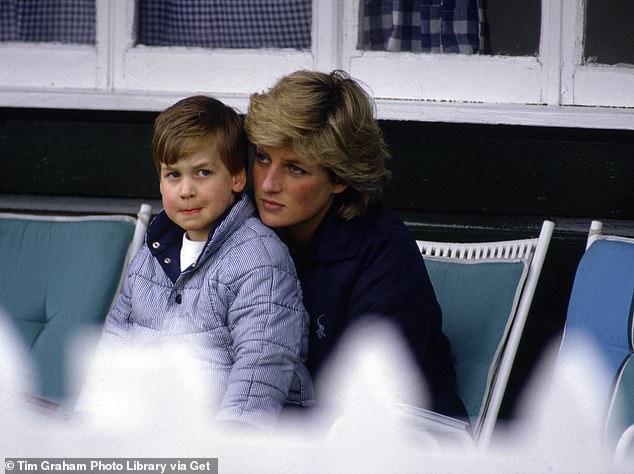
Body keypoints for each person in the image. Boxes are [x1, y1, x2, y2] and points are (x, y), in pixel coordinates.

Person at [79, 95, 313, 431]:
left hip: (235, 438)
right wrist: (91, 415)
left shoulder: (259, 259)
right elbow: (116, 341)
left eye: (202, 172)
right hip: (155, 427)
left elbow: (263, 359)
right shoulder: (152, 254)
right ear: (160, 182)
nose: (186, 190)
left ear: (236, 177)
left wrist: (231, 443)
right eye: (173, 175)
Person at [244, 70, 466, 419]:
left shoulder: (383, 253)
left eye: (295, 169)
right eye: (262, 158)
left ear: (340, 178)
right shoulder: (243, 227)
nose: (268, 184)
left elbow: (369, 400)